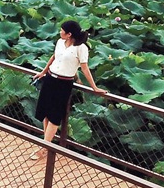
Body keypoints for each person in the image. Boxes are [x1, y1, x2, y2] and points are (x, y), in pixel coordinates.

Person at [31, 20, 107, 158]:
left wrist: (94, 87)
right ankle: (46, 144)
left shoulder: (81, 48)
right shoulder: (60, 42)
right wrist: (43, 72)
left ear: (69, 34)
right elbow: (54, 57)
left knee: (54, 116)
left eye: (62, 30)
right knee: (45, 112)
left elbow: (84, 68)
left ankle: (43, 148)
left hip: (63, 83)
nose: (60, 32)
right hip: (50, 78)